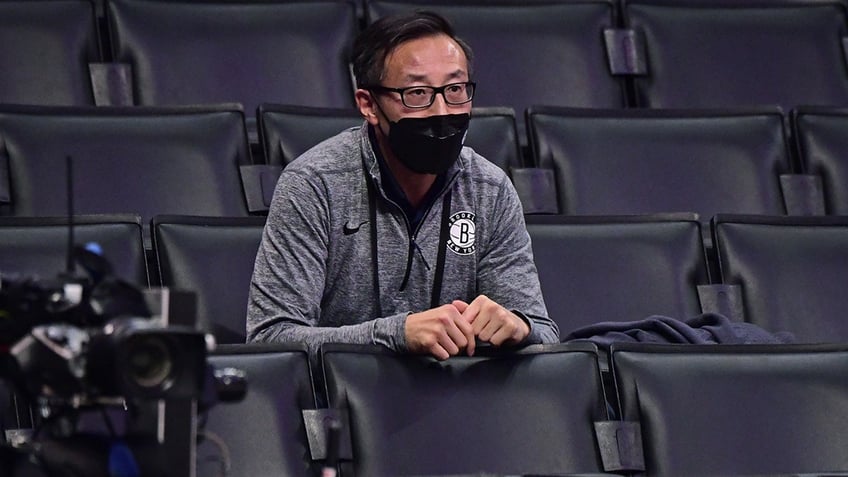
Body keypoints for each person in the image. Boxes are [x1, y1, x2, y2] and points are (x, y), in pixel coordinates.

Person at [246, 10, 558, 359]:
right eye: (417, 93)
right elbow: (270, 338)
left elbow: (544, 331)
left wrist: (519, 328)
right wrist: (396, 333)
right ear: (369, 105)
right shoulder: (314, 185)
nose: (441, 110)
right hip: (339, 404)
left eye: (455, 89)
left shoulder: (490, 189)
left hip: (459, 402)